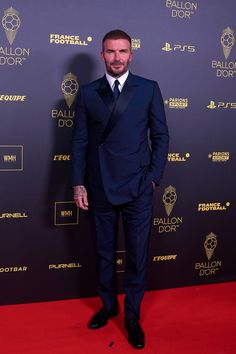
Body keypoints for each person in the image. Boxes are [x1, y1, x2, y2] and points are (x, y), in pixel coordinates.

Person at [71, 29, 169, 349]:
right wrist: (78, 183)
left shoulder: (148, 89)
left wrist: (153, 176)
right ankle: (108, 304)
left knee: (138, 255)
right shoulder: (87, 93)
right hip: (99, 186)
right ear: (102, 55)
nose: (117, 58)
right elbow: (80, 142)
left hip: (138, 186)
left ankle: (131, 316)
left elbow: (161, 136)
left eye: (122, 51)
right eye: (110, 52)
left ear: (131, 54)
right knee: (103, 251)